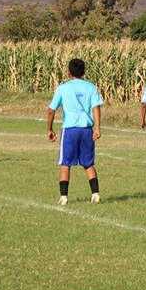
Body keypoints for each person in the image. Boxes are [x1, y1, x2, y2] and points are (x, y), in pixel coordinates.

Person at [47, 58, 104, 205]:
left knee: (65, 164)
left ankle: (64, 197)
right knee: (88, 164)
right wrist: (97, 128)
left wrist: (50, 129)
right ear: (83, 72)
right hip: (86, 130)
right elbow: (96, 107)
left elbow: (51, 110)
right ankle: (95, 194)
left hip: (70, 130)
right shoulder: (90, 87)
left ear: (69, 72)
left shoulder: (63, 88)